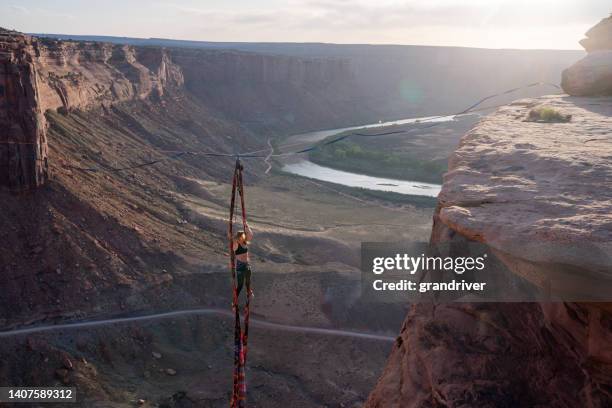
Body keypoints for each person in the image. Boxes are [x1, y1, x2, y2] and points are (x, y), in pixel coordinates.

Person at [228, 222, 254, 304]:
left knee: (248, 280)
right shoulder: (236, 245)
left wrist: (247, 227)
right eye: (242, 236)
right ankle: (234, 301)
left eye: (243, 236)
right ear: (239, 237)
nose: (243, 237)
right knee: (240, 285)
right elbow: (233, 243)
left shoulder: (245, 243)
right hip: (240, 266)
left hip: (246, 264)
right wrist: (232, 237)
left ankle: (249, 292)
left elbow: (250, 235)